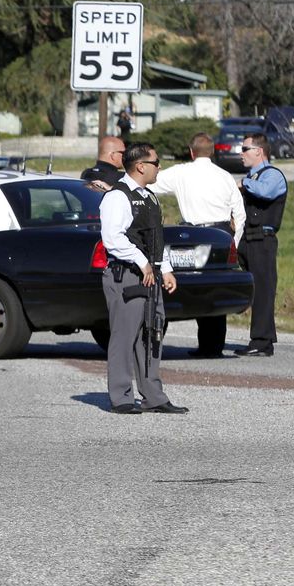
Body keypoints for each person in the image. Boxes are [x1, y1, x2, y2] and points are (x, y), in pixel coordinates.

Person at [99, 142, 187, 415]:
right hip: (126, 276)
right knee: (124, 338)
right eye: (156, 162)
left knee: (152, 335)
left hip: (151, 276)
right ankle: (121, 397)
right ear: (141, 166)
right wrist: (142, 262)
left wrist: (166, 268)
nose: (159, 167)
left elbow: (155, 239)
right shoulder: (118, 197)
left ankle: (153, 396)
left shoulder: (149, 197)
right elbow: (113, 238)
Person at [146, 132, 246, 357]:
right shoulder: (225, 176)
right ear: (212, 152)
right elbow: (240, 215)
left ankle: (154, 344)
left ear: (191, 152)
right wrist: (233, 243)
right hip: (219, 234)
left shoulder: (181, 172)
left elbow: (149, 182)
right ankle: (212, 347)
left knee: (171, 286)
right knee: (214, 290)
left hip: (189, 233)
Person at [235, 134, 287, 356]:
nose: (241, 153)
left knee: (263, 290)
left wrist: (243, 184)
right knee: (253, 290)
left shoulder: (272, 175)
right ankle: (260, 339)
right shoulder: (253, 176)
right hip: (248, 239)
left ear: (259, 151)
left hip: (262, 240)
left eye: (245, 148)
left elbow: (265, 192)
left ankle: (262, 341)